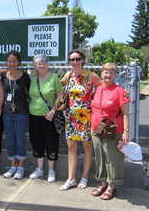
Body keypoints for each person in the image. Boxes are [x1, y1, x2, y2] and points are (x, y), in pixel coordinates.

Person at [60, 50, 102, 190]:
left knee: (87, 148)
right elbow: (59, 86)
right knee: (71, 147)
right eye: (72, 59)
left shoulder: (91, 75)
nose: (75, 62)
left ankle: (84, 177)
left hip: (86, 117)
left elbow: (103, 89)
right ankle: (71, 179)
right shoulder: (68, 75)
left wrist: (94, 105)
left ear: (83, 59)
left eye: (77, 59)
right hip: (71, 116)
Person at [90, 63, 130, 200]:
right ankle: (103, 183)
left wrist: (126, 132)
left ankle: (111, 186)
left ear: (115, 75)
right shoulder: (98, 89)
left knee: (113, 159)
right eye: (106, 72)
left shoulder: (120, 91)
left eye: (111, 73)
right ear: (101, 73)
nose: (108, 75)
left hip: (114, 130)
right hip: (96, 129)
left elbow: (126, 114)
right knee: (100, 157)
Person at [29, 54, 63, 183]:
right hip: (34, 116)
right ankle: (40, 169)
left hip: (49, 117)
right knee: (37, 142)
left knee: (51, 142)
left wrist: (53, 111)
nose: (41, 65)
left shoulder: (54, 78)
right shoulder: (33, 79)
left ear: (48, 64)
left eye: (43, 63)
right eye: (38, 63)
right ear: (35, 66)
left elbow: (60, 98)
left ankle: (51, 170)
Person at [1, 51, 30, 180]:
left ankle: (20, 167)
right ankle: (12, 166)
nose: (12, 63)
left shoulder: (25, 77)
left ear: (19, 62)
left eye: (14, 61)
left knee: (20, 140)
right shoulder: (3, 76)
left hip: (21, 113)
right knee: (10, 140)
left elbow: (29, 93)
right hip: (7, 113)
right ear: (7, 62)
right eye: (9, 61)